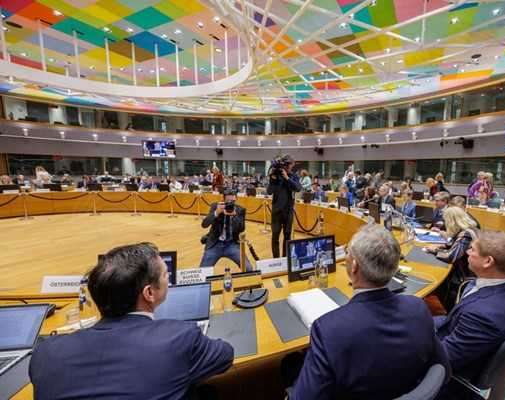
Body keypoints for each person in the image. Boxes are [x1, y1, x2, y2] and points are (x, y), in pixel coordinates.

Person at [30, 243, 234, 399]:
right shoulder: (180, 337)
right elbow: (225, 355)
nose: (168, 278)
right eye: (166, 274)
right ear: (149, 293)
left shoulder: (46, 353)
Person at [288, 225, 449, 399]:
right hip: (407, 389)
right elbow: (442, 369)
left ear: (354, 266)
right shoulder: (417, 308)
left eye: (348, 253)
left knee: (289, 364)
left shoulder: (328, 330)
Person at [435, 231, 505, 400]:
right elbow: (452, 321)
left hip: (447, 379)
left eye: (472, 249)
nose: (467, 252)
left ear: (488, 261)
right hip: (460, 350)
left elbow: (444, 357)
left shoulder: (484, 315)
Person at [426, 207, 478, 311]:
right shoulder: (463, 230)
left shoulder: (466, 234)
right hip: (461, 269)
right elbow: (453, 244)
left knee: (437, 278)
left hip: (464, 274)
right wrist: (441, 246)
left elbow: (451, 256)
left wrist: (434, 251)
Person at [200, 190, 250, 269]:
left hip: (232, 244)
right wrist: (216, 212)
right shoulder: (216, 206)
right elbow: (204, 224)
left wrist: (234, 216)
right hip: (215, 244)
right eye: (228, 201)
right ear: (223, 199)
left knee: (248, 268)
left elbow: (242, 229)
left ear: (236, 199)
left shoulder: (240, 210)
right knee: (203, 271)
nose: (230, 204)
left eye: (232, 201)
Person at [267, 154, 302, 258]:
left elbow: (298, 188)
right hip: (276, 212)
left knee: (287, 236)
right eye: (290, 164)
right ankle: (276, 260)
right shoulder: (276, 176)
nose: (291, 167)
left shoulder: (293, 176)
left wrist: (287, 178)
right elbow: (269, 191)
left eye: (291, 165)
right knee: (275, 236)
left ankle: (285, 259)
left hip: (288, 211)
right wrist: (272, 179)